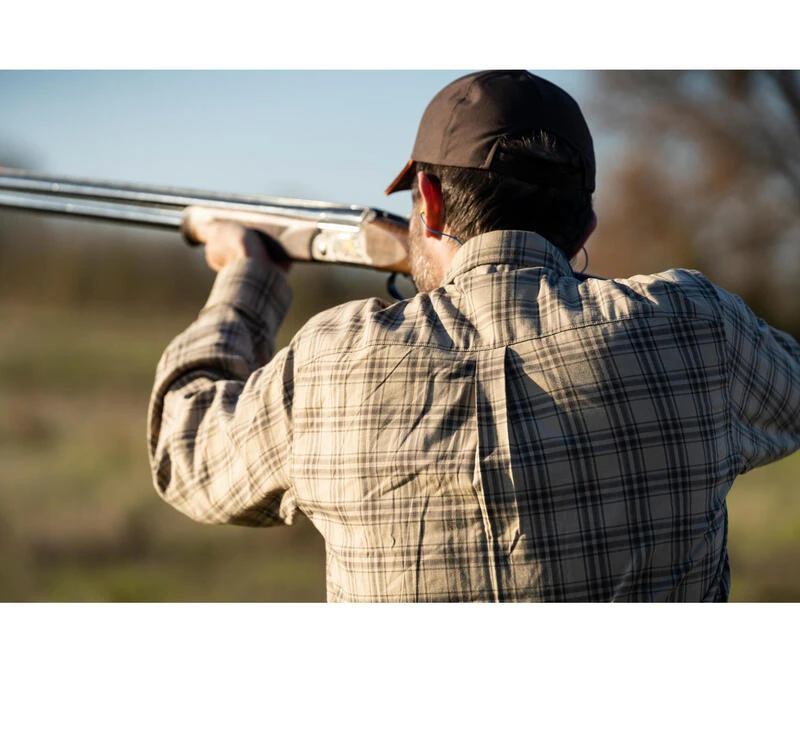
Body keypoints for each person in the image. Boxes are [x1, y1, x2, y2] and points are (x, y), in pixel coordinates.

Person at [148, 70, 800, 602]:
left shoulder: (330, 362)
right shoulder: (696, 325)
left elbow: (185, 454)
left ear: (429, 201)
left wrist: (247, 279)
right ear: (586, 225)